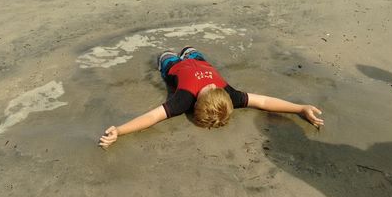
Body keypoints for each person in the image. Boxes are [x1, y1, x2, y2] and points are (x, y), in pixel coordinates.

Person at [98, 46, 324, 149]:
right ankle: (189, 52)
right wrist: (299, 108)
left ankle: (171, 57)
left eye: (209, 88)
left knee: (165, 56)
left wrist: (120, 130)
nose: (212, 83)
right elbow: (263, 101)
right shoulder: (230, 94)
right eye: (215, 87)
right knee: (191, 50)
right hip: (200, 59)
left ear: (196, 101)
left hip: (175, 67)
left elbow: (152, 117)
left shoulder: (183, 99)